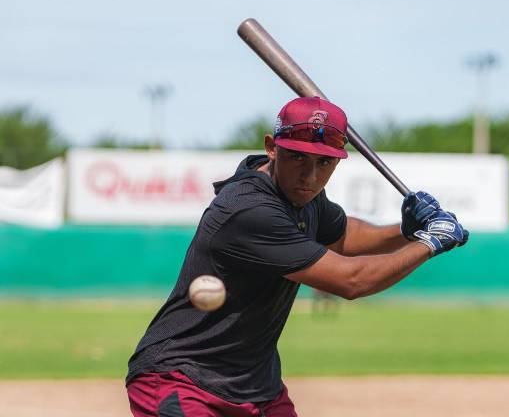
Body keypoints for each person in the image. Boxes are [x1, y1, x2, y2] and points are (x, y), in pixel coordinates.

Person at [125, 96, 469, 417]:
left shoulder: (301, 195)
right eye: (298, 157)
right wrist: (429, 243)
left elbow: (342, 235)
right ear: (272, 148)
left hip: (256, 386)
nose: (310, 176)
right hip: (182, 380)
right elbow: (351, 281)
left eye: (325, 162)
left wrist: (405, 231)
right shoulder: (250, 210)